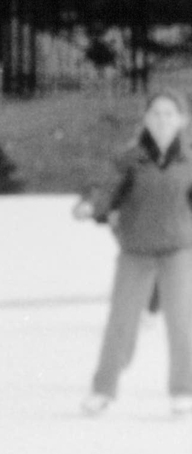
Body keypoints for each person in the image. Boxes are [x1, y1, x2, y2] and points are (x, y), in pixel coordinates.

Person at [74, 90, 192, 416]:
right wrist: (91, 206)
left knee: (182, 322)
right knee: (120, 322)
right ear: (146, 119)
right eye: (155, 113)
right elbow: (107, 189)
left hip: (178, 251)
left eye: (170, 114)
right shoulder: (130, 158)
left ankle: (183, 390)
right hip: (136, 251)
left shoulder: (189, 162)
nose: (162, 120)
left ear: (183, 120)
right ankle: (103, 390)